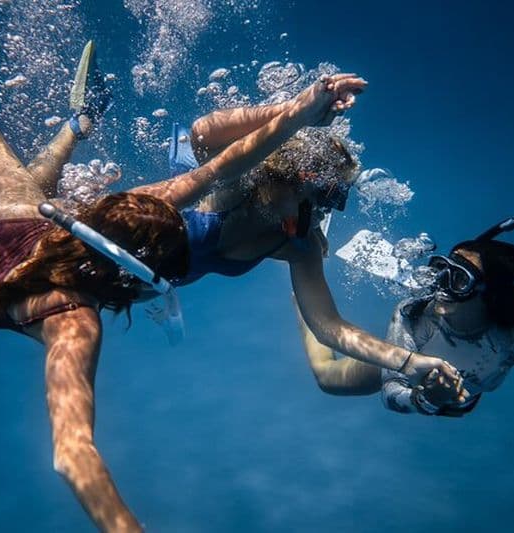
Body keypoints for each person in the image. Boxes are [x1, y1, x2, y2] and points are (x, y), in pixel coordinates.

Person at [0, 1, 368, 530]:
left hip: (26, 221)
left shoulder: (136, 206)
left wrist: (302, 109)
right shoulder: (74, 319)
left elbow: (223, 164)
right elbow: (73, 451)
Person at [150, 103, 467, 390]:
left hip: (157, 278)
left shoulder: (298, 245)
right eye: (326, 194)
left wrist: (407, 361)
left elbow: (329, 327)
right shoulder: (234, 183)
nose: (327, 209)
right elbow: (202, 132)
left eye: (337, 199)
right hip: (143, 232)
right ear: (290, 178)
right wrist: (298, 109)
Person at [295, 218, 514, 416]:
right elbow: (391, 392)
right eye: (440, 270)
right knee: (328, 377)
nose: (440, 287)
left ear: (489, 294)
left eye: (457, 279)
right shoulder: (415, 316)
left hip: (459, 395)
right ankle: (302, 300)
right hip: (407, 361)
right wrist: (424, 399)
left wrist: (433, 399)